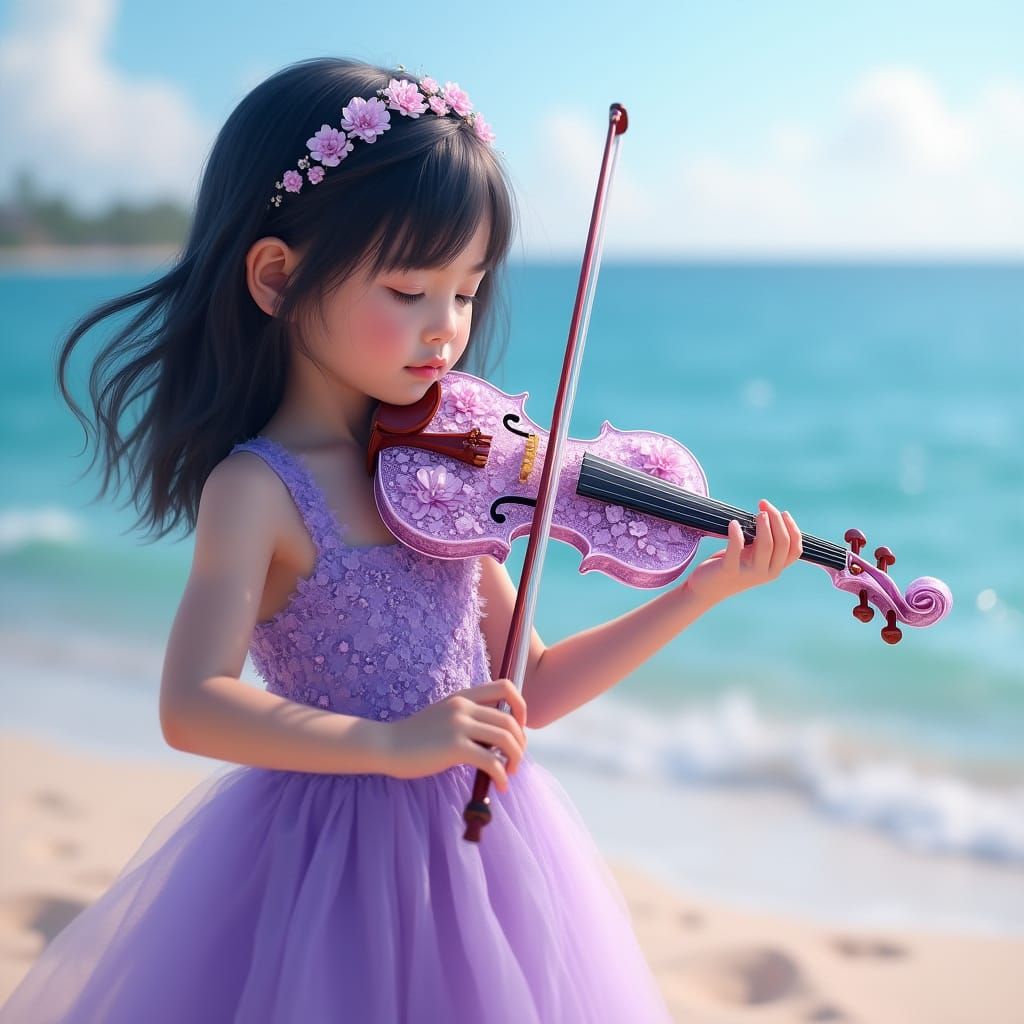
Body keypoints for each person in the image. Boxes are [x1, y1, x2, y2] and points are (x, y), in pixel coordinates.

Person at [1, 57, 803, 1023]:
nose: (447, 332)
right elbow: (192, 704)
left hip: (485, 853)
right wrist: (391, 744)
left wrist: (696, 593)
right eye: (410, 289)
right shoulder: (259, 490)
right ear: (277, 277)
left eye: (465, 292)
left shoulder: (446, 480)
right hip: (329, 861)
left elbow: (533, 684)